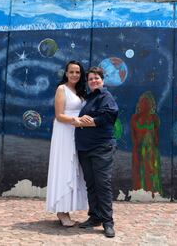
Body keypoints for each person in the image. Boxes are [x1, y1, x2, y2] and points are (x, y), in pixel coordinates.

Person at [75, 66, 119, 238]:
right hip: (84, 148)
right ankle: (95, 217)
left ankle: (108, 222)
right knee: (91, 184)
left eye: (96, 78)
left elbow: (110, 115)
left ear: (102, 80)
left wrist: (90, 121)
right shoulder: (88, 98)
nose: (93, 81)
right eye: (91, 78)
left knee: (103, 184)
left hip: (101, 147)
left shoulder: (105, 96)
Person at [45, 60, 88, 227]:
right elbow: (59, 115)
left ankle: (67, 209)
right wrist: (76, 120)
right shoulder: (61, 89)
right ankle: (61, 211)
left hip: (76, 131)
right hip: (64, 131)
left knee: (73, 169)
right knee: (64, 167)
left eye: (77, 72)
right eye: (71, 72)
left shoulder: (78, 91)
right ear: (66, 73)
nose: (75, 75)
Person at [130, 91, 162, 195]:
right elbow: (133, 135)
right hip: (138, 150)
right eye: (142, 102)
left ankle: (152, 191)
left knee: (151, 172)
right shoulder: (135, 118)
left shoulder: (154, 118)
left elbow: (157, 136)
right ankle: (140, 191)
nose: (144, 105)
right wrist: (136, 150)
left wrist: (154, 149)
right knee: (139, 172)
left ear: (151, 104)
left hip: (151, 151)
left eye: (147, 102)